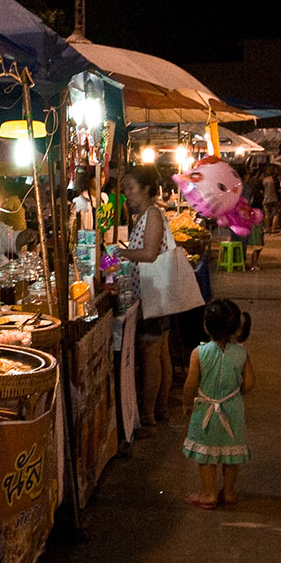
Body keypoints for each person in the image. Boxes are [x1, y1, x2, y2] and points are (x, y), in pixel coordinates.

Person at [182, 298, 254, 508]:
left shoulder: (199, 353)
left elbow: (190, 383)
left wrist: (187, 403)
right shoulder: (241, 352)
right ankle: (229, 492)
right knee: (232, 453)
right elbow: (250, 382)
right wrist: (235, 393)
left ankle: (208, 494)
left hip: (206, 408)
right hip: (233, 408)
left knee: (206, 455)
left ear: (206, 325)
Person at [118, 165, 176, 429]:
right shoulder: (146, 214)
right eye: (124, 188)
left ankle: (150, 414)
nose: (126, 193)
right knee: (161, 351)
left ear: (145, 189)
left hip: (154, 292)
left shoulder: (152, 214)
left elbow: (150, 253)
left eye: (130, 188)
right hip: (157, 292)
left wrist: (121, 253)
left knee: (151, 353)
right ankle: (161, 409)